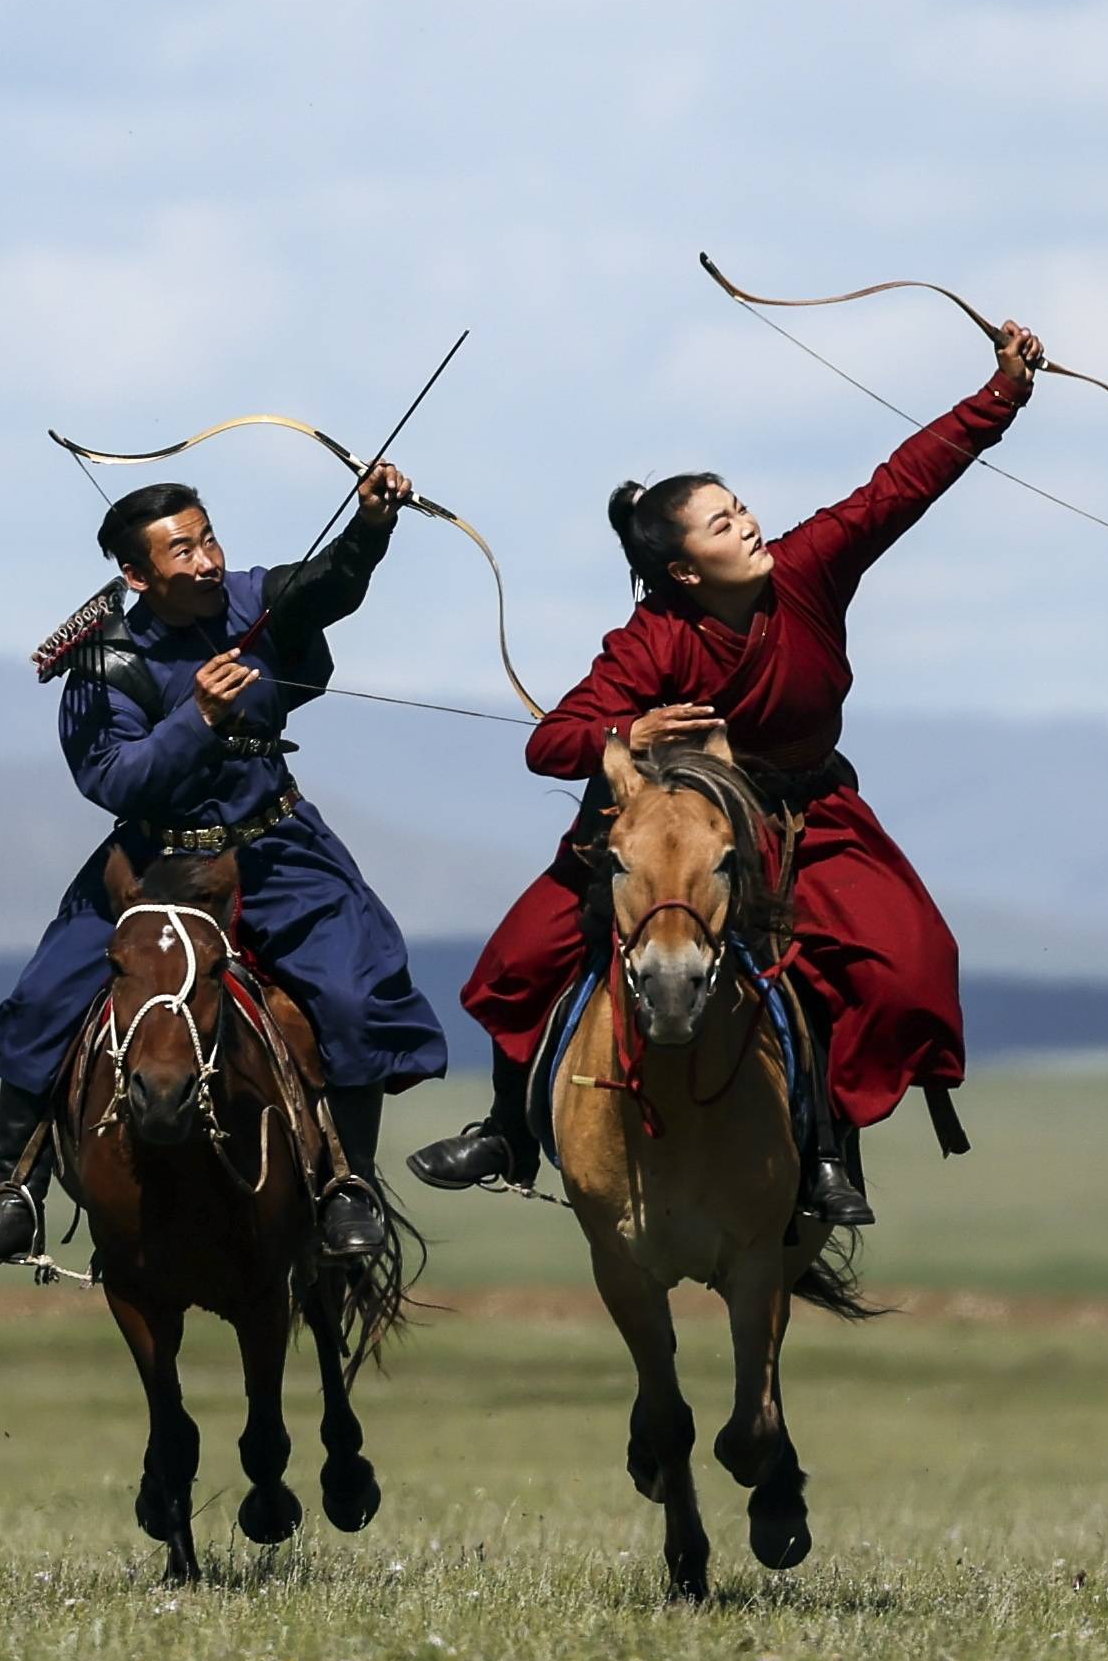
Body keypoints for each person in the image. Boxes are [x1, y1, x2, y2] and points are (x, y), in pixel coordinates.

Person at [413, 318, 1042, 1231]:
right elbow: (550, 743)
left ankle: (827, 1152)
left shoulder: (811, 568)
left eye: (740, 507)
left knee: (909, 968)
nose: (746, 523)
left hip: (810, 817)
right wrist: (629, 727)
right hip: (684, 835)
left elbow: (899, 487)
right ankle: (511, 1126)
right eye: (721, 522)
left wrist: (1003, 394)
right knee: (518, 960)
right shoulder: (651, 639)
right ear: (682, 568)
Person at [0, 466, 453, 1273]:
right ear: (138, 574)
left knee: (356, 994)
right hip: (153, 862)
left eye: (209, 537)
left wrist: (370, 527)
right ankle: (14, 1191)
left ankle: (349, 1186)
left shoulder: (253, 598)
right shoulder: (102, 661)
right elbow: (112, 778)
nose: (209, 561)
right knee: (47, 996)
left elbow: (324, 587)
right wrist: (200, 718)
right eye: (183, 551)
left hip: (276, 847)